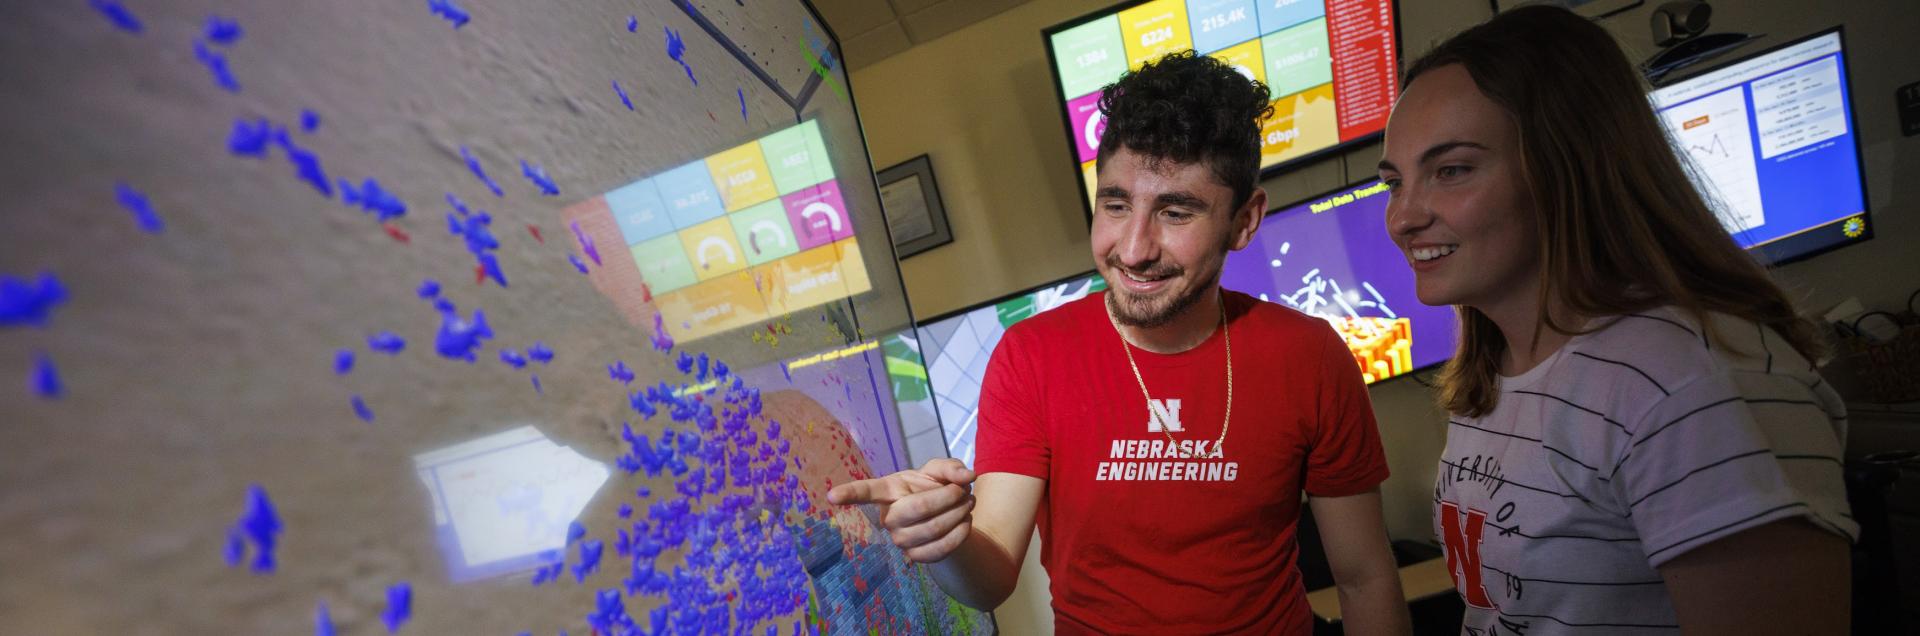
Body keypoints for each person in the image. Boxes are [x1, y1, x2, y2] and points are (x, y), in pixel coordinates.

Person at [828, 51, 1413, 635]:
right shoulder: (1032, 354)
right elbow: (994, 573)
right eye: (1115, 204)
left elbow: (1364, 577)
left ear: (1244, 221)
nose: (1133, 249)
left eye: (1176, 212)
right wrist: (946, 539)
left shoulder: (1308, 355)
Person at [1377, 6, 1856, 634]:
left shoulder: (1688, 384)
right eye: (1394, 183)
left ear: (1569, 165)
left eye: (1452, 170)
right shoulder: (1499, 372)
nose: (1403, 218)